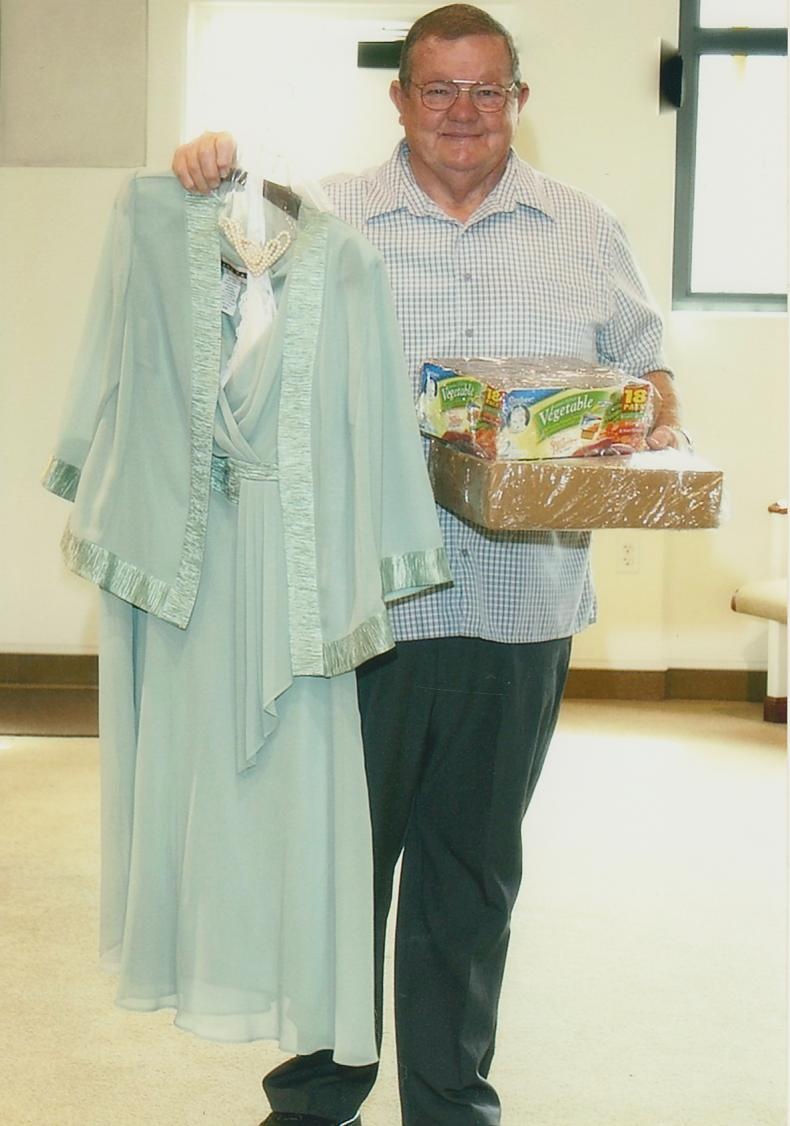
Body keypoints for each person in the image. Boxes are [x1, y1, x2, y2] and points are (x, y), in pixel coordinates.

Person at [172, 6, 687, 1124]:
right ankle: (318, 1098)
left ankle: (451, 1102)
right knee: (334, 870)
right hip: (358, 606)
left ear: (519, 101)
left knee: (472, 877)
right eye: (438, 89)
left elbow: (650, 376)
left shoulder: (584, 229)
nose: (462, 112)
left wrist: (641, 418)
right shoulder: (321, 219)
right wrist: (204, 183)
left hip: (518, 608)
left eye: (486, 90)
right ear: (399, 99)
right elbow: (206, 317)